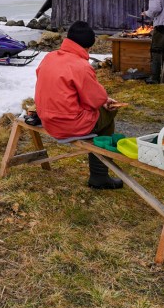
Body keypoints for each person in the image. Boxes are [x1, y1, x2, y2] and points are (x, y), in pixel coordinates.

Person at [34, 21, 123, 189]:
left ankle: (100, 173)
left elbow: (61, 91)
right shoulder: (80, 65)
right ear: (88, 46)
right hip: (67, 125)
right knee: (109, 114)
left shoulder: (49, 57)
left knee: (97, 109)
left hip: (46, 119)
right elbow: (96, 100)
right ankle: (99, 176)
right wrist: (104, 101)